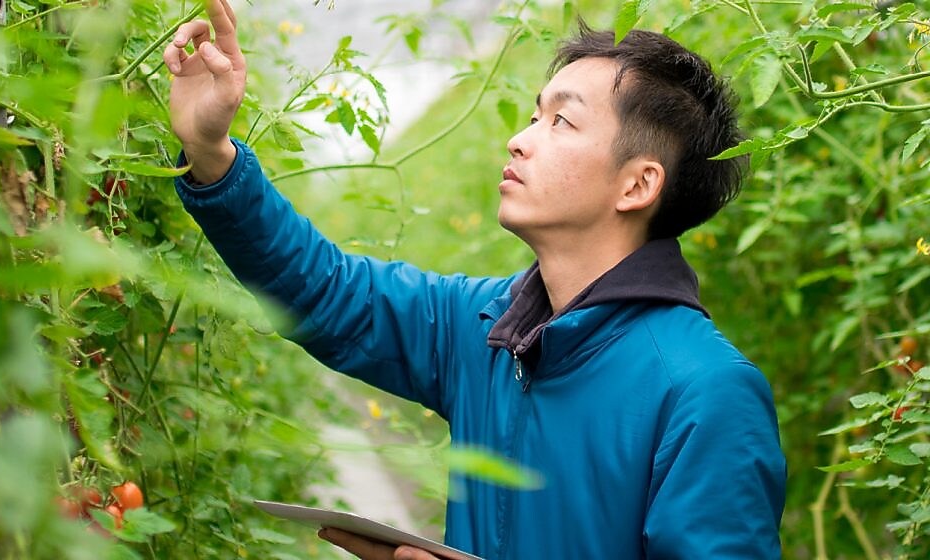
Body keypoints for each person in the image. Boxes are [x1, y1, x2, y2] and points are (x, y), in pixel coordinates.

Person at [162, 1, 787, 558]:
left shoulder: (706, 393)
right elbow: (326, 290)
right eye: (535, 116)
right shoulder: (489, 328)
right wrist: (212, 155)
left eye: (561, 122)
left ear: (638, 184)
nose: (518, 140)